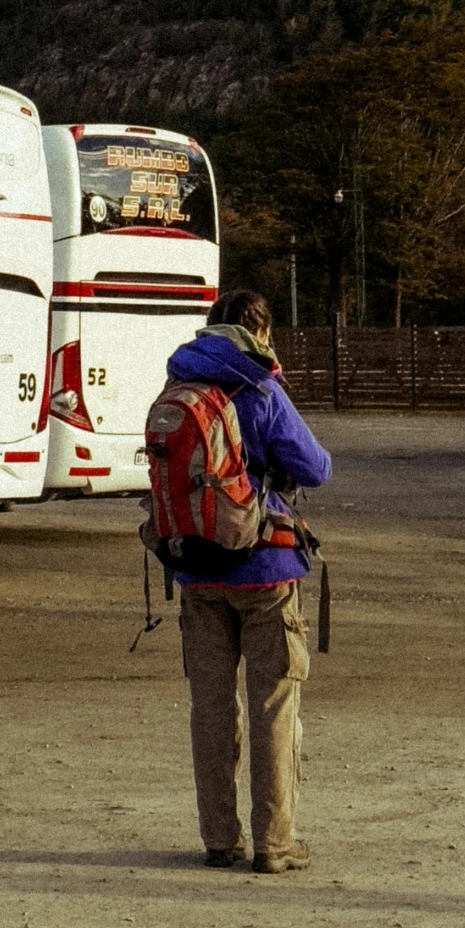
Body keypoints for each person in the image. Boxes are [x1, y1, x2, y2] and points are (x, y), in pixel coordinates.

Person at [164, 287, 331, 874]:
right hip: (264, 570)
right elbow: (317, 467)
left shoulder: (179, 384)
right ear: (260, 334)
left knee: (209, 707)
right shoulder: (260, 389)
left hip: (195, 569)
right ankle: (275, 844)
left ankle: (219, 840)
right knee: (273, 705)